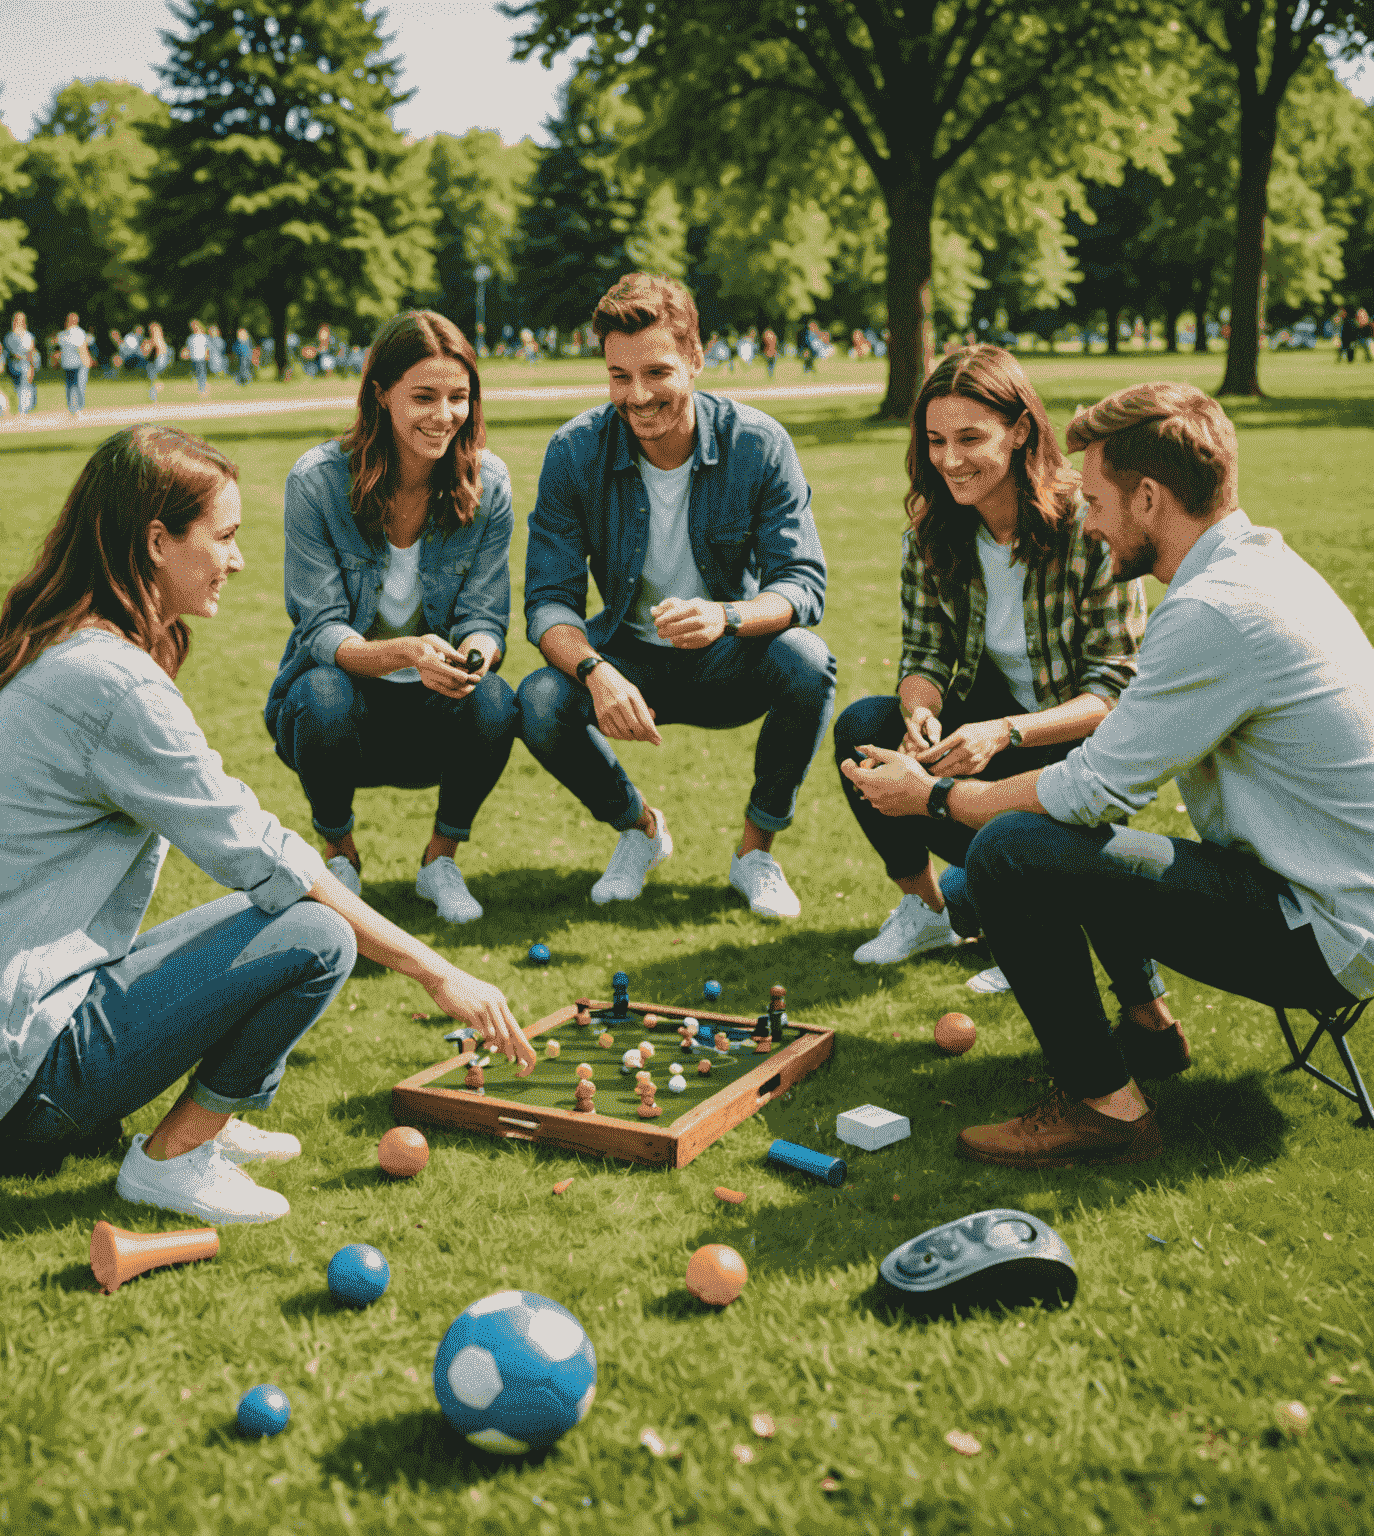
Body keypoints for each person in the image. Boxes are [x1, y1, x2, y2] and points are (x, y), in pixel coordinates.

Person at [0, 424, 534, 1222]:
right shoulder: (109, 682)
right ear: (158, 540)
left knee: (292, 908)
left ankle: (210, 1119)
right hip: (9, 1091)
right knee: (317, 934)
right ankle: (174, 1158)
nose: (237, 559)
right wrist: (439, 972)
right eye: (225, 536)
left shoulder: (46, 642)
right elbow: (264, 855)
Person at [844, 381, 1374, 1167]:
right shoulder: (1259, 569)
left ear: (1151, 498)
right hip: (1321, 896)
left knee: (1013, 853)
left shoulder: (1213, 612)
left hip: (1325, 931)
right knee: (1033, 838)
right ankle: (1143, 1026)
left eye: (1094, 500)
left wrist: (939, 798)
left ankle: (1105, 1108)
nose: (1086, 521)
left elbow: (1093, 789)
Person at [835, 346, 1161, 1025]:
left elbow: (1114, 692)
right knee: (865, 732)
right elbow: (925, 651)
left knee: (1021, 844)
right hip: (986, 736)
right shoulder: (931, 531)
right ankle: (932, 910)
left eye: (970, 438)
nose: (950, 459)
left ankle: (1039, 926)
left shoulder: (1087, 526)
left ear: (1019, 432)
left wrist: (1004, 732)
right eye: (936, 441)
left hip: (1073, 748)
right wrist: (919, 712)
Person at [518, 273, 835, 918]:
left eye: (658, 372)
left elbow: (802, 581)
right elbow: (547, 599)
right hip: (628, 659)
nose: (639, 396)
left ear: (695, 358)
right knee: (541, 698)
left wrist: (728, 616)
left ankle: (755, 852)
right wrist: (595, 672)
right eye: (619, 377)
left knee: (807, 660)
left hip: (730, 656)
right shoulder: (575, 450)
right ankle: (639, 830)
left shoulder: (758, 441)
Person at [265, 311, 519, 925]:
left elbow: (486, 616)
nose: (444, 415)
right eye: (424, 397)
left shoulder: (488, 483)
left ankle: (440, 860)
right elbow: (320, 628)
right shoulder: (319, 482)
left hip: (432, 709)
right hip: (342, 704)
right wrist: (406, 653)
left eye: (459, 397)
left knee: (497, 702)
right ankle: (340, 853)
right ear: (381, 395)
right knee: (322, 695)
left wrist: (475, 659)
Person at [56, 312, 93, 418]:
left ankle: (78, 409)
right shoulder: (63, 334)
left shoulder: (78, 332)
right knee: (70, 387)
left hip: (79, 363)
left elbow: (82, 347)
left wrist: (86, 360)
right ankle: (72, 409)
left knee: (79, 386)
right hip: (68, 364)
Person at [2, 312, 36, 414]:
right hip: (14, 365)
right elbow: (13, 352)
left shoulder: (28, 335)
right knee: (20, 387)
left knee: (26, 387)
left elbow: (31, 351)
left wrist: (31, 365)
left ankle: (24, 409)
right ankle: (21, 409)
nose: (19, 322)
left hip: (26, 364)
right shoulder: (10, 336)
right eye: (17, 320)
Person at [142, 321, 168, 402]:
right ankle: (154, 394)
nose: (153, 332)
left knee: (152, 374)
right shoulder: (153, 340)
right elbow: (145, 353)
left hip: (161, 360)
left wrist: (148, 345)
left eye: (155, 330)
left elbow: (147, 352)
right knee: (151, 374)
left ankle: (156, 389)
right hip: (157, 361)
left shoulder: (157, 340)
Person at [185, 319, 210, 394]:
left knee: (202, 373)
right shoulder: (191, 338)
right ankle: (200, 387)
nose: (194, 328)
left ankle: (202, 388)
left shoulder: (204, 337)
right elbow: (188, 348)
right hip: (193, 358)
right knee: (196, 373)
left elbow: (208, 347)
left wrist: (207, 354)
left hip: (201, 357)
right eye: (192, 326)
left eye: (195, 326)